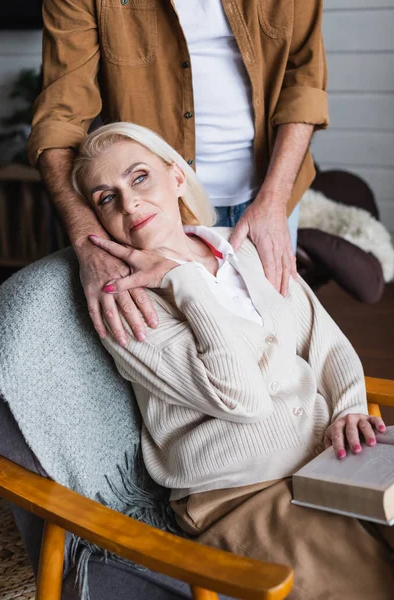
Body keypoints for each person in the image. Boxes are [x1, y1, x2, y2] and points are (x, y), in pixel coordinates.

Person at [71, 122, 394, 600]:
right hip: (244, 494)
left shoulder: (238, 246)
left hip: (333, 459)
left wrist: (348, 406)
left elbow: (322, 336)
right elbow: (240, 397)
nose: (128, 203)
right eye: (106, 198)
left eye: (139, 178)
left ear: (176, 177)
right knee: (372, 587)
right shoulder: (127, 305)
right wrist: (184, 280)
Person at [27, 0, 329, 350]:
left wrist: (274, 201)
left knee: (284, 341)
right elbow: (59, 120)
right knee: (178, 353)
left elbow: (304, 82)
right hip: (157, 212)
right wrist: (86, 240)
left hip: (269, 198)